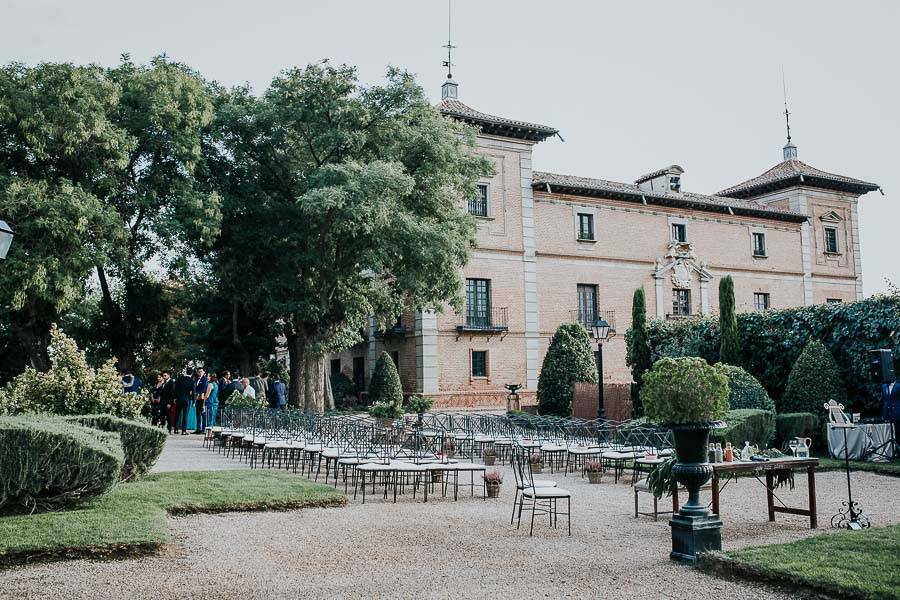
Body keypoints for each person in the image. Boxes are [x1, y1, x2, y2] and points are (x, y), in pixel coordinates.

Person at [174, 367, 194, 435]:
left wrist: (175, 398)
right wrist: (193, 401)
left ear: (186, 372)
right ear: (191, 373)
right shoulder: (191, 381)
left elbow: (176, 389)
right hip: (187, 399)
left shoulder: (180, 379)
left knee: (177, 414)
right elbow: (193, 392)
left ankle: (176, 429)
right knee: (185, 415)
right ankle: (183, 431)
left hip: (179, 399)